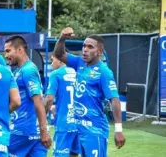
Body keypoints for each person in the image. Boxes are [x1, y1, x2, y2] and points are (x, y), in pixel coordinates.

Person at [53, 27, 126, 157]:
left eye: (90, 47)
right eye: (84, 46)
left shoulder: (104, 72)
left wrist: (119, 130)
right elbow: (58, 55)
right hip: (79, 129)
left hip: (95, 130)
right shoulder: (79, 63)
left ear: (99, 51)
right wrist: (62, 37)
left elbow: (114, 100)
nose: (85, 49)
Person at [4, 36, 52, 156]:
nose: (5, 55)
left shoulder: (28, 70)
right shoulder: (19, 71)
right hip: (31, 132)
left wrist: (43, 131)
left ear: (20, 50)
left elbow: (38, 101)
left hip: (22, 131)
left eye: (8, 51)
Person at [45, 55, 80, 157]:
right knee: (74, 153)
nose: (51, 63)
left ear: (60, 60)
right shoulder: (77, 73)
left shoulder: (56, 74)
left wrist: (42, 118)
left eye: (52, 60)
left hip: (64, 123)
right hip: (78, 123)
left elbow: (50, 98)